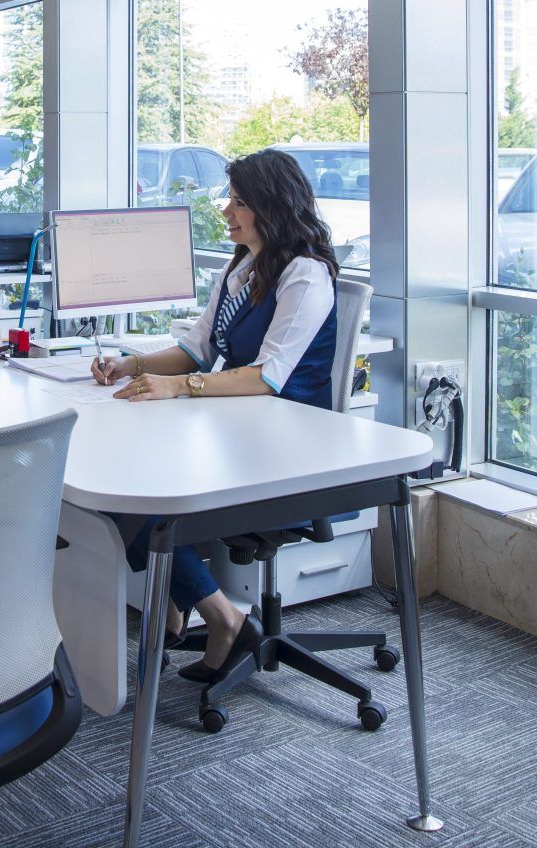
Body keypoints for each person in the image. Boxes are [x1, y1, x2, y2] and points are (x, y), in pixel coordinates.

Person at [91, 147, 340, 683]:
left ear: (273, 207)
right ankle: (186, 604)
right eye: (230, 199)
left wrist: (178, 387)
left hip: (285, 445)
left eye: (240, 202)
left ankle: (219, 616)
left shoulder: (305, 275)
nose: (227, 211)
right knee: (115, 481)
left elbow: (267, 377)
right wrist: (131, 365)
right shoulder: (244, 267)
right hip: (235, 430)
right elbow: (200, 350)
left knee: (140, 489)